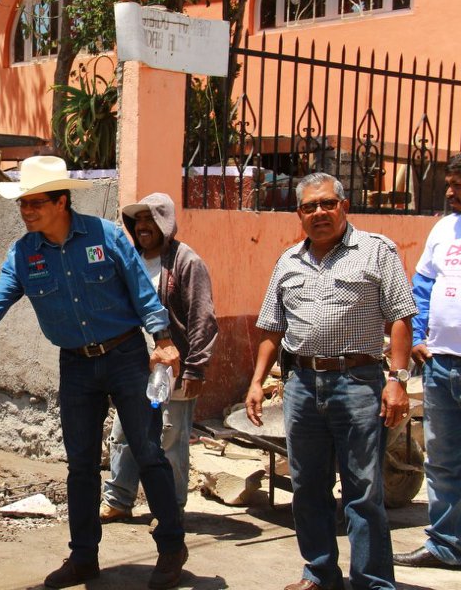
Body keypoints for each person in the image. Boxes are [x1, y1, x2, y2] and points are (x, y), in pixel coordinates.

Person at [0, 156, 188, 590]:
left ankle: (172, 547)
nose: (26, 212)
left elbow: (142, 290)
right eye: (22, 204)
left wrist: (163, 339)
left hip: (125, 358)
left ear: (62, 201)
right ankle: (84, 559)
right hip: (76, 365)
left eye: (35, 203)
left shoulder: (106, 235)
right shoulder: (24, 253)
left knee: (147, 450)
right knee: (80, 465)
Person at [244, 172, 416, 590]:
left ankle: (372, 581)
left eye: (327, 204)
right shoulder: (288, 261)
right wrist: (255, 382)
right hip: (301, 384)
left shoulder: (377, 251)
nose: (319, 212)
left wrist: (397, 380)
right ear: (299, 214)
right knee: (307, 487)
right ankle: (320, 573)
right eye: (309, 207)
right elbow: (271, 329)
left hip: (358, 381)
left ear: (344, 206)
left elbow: (400, 317)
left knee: (363, 489)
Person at [101, 193, 218, 522]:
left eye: (149, 219)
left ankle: (169, 508)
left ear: (165, 223)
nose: (142, 227)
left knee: (169, 438)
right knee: (123, 435)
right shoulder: (130, 259)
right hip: (131, 367)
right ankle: (119, 500)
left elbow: (202, 318)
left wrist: (196, 368)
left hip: (173, 369)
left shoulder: (186, 262)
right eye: (137, 220)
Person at [392, 154, 461, 570]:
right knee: (442, 461)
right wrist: (418, 339)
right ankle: (446, 545)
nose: (450, 192)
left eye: (458, 185)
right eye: (450, 184)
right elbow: (421, 285)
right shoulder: (443, 228)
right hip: (440, 366)